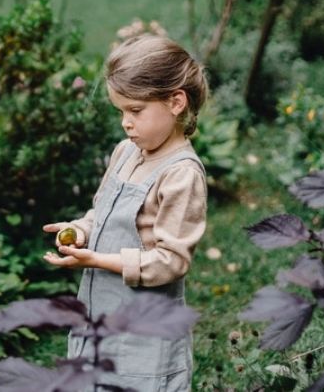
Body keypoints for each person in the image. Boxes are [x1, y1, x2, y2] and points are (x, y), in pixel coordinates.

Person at [42, 33, 208, 391]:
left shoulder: (181, 174)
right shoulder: (125, 152)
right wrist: (82, 230)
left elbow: (171, 261)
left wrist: (97, 260)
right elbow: (100, 212)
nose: (126, 123)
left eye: (135, 111)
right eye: (121, 112)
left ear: (176, 102)